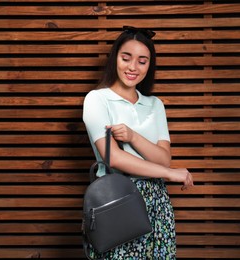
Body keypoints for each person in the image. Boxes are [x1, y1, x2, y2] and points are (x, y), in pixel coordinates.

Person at [82, 26, 194, 259]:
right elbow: (114, 157)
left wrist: (133, 137)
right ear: (115, 59)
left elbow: (164, 157)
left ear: (149, 66)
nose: (133, 67)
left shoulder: (155, 105)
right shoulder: (97, 99)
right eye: (126, 58)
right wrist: (169, 173)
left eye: (142, 61)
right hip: (116, 199)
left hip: (157, 202)